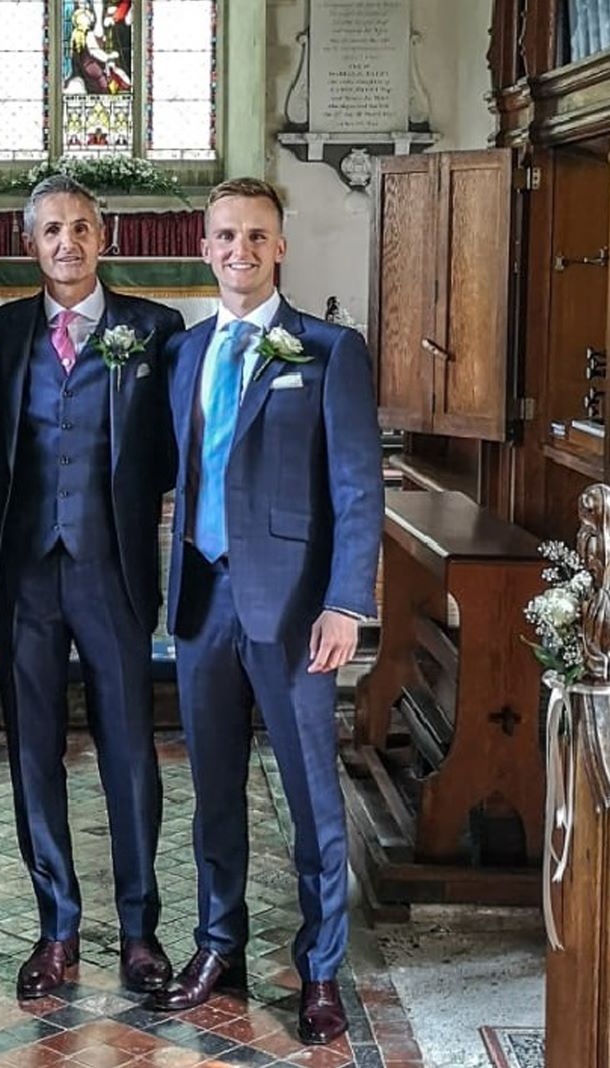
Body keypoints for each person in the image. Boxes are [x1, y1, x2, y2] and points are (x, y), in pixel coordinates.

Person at [150, 178, 383, 1046]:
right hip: (203, 601)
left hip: (292, 613)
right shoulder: (188, 350)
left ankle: (320, 967)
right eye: (223, 236)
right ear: (204, 248)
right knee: (212, 791)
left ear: (279, 245)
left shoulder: (326, 349)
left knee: (311, 799)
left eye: (255, 235)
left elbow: (357, 489)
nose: (238, 249)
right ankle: (219, 944)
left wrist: (345, 603)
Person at [0, 174, 184, 1000]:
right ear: (30, 244)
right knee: (35, 754)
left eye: (82, 228)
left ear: (106, 237)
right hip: (22, 578)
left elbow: (175, 446)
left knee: (131, 754)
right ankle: (56, 928)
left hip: (114, 572)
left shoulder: (155, 329)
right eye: (52, 230)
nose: (68, 242)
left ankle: (139, 932)